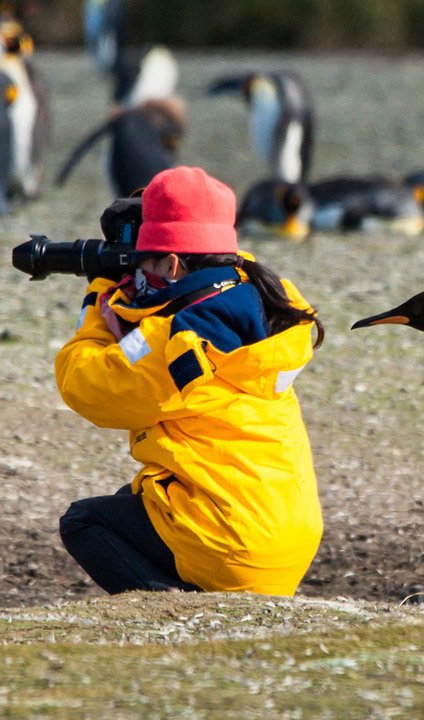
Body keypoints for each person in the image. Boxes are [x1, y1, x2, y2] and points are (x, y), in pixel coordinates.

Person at [55, 165, 325, 596]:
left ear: (173, 263)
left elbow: (85, 384)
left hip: (233, 545)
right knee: (134, 498)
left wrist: (99, 298)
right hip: (286, 534)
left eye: (144, 261)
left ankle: (180, 608)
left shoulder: (179, 338)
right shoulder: (260, 299)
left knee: (85, 522)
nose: (137, 273)